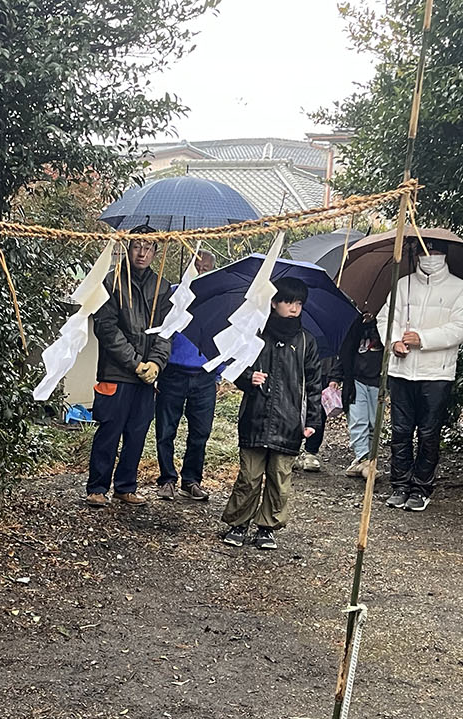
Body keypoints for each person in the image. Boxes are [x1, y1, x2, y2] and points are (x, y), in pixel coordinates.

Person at [220, 278, 322, 550]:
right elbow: (235, 366)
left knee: (279, 478)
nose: (294, 308)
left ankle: (267, 528)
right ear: (274, 302)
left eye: (299, 303)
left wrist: (312, 419)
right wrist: (248, 377)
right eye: (288, 302)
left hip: (289, 421)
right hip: (255, 416)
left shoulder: (306, 341)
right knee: (249, 476)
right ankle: (239, 523)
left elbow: (314, 383)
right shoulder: (255, 334)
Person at [377, 240, 463, 510]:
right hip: (401, 371)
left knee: (429, 433)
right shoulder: (403, 284)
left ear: (445, 253)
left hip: (436, 373)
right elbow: (386, 318)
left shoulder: (460, 289)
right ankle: (399, 484)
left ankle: (421, 487)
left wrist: (424, 338)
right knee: (400, 431)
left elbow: (461, 327)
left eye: (435, 250)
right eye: (424, 250)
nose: (429, 256)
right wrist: (394, 341)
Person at [86, 226, 172, 507]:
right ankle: (97, 487)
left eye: (148, 247)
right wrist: (136, 363)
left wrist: (156, 363)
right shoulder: (111, 282)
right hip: (116, 372)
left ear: (156, 252)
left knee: (137, 433)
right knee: (109, 431)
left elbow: (166, 331)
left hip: (147, 377)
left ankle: (126, 486)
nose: (142, 253)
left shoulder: (162, 286)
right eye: (137, 246)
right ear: (127, 249)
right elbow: (106, 329)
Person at [154, 250, 218, 501]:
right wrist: (157, 368)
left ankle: (191, 479)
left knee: (200, 432)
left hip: (204, 375)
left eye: (206, 268)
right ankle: (166, 479)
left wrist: (218, 372)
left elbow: (224, 335)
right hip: (172, 372)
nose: (200, 271)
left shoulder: (217, 299)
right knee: (165, 429)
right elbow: (159, 332)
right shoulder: (172, 295)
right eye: (196, 266)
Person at [329, 312, 386, 478]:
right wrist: (335, 377)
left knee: (374, 423)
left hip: (378, 381)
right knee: (358, 420)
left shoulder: (388, 324)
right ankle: (363, 457)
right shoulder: (355, 324)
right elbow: (345, 351)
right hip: (355, 380)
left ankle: (368, 459)